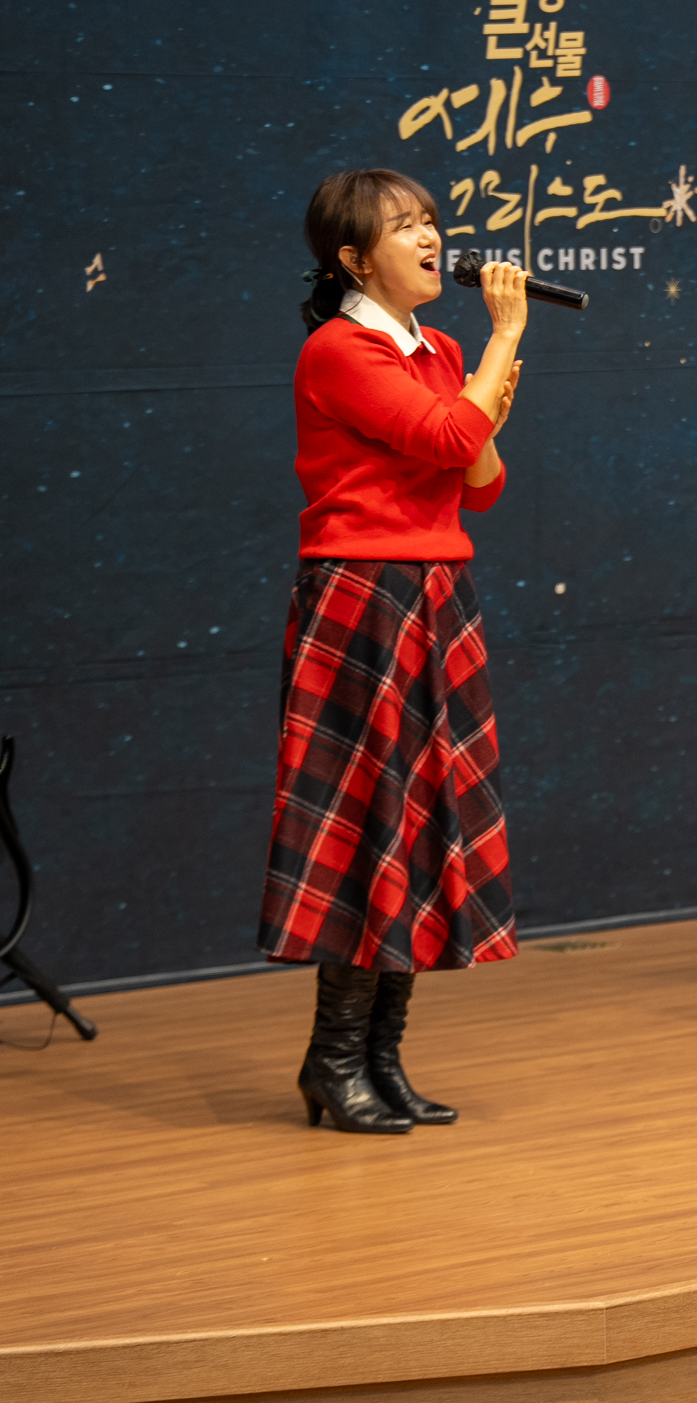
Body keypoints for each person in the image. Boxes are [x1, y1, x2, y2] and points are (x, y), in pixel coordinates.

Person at [263, 169, 528, 1133]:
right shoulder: (339, 350)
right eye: (404, 226)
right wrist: (504, 341)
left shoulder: (441, 349)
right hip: (363, 597)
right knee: (365, 820)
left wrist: (484, 399)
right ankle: (332, 1062)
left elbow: (479, 479)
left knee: (417, 824)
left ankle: (382, 1059)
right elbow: (451, 433)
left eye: (430, 222)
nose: (429, 239)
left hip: (436, 592)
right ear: (352, 258)